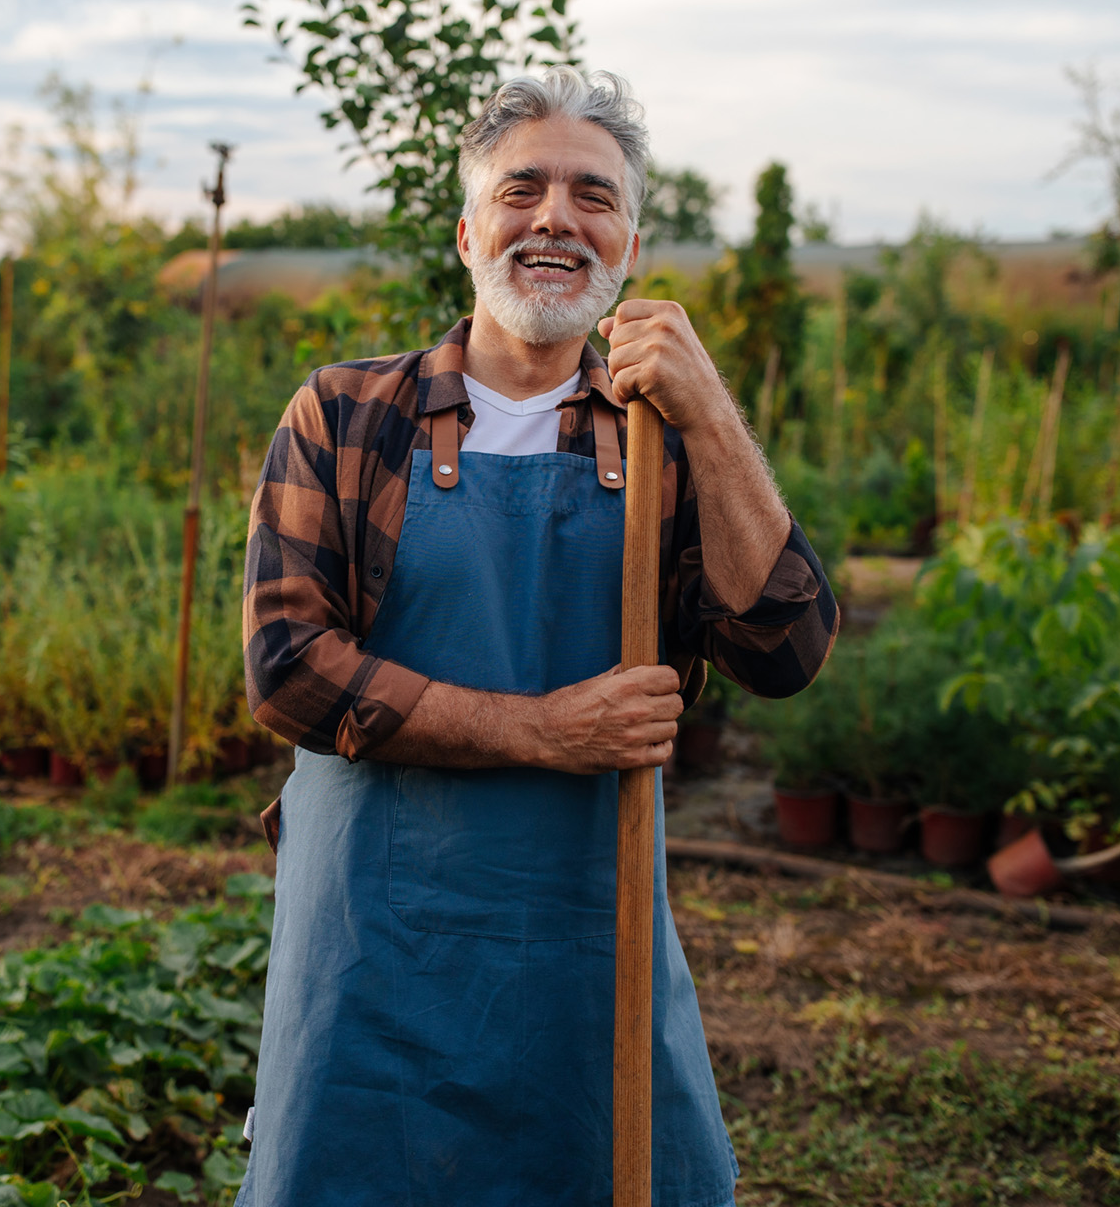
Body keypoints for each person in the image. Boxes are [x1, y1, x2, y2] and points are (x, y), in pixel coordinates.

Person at [235, 66, 837, 1206]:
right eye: (524, 189)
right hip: (374, 944)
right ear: (470, 232)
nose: (557, 216)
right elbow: (288, 671)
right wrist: (541, 728)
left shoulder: (661, 444)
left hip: (582, 945)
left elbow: (787, 646)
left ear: (630, 250)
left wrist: (709, 411)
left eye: (593, 196)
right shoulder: (350, 414)